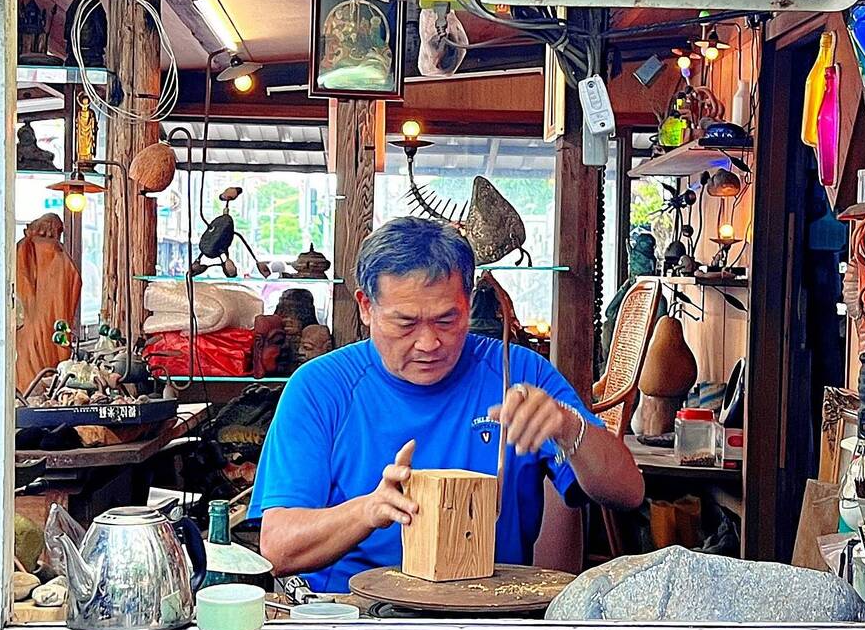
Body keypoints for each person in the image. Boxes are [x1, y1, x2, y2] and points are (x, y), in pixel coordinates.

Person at [249, 217, 645, 593]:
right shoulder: (321, 388)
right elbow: (278, 548)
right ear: (366, 307)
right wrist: (369, 510)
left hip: (491, 613)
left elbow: (628, 493)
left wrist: (570, 428)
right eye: (406, 323)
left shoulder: (518, 373)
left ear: (469, 303)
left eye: (446, 320)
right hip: (357, 616)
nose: (428, 343)